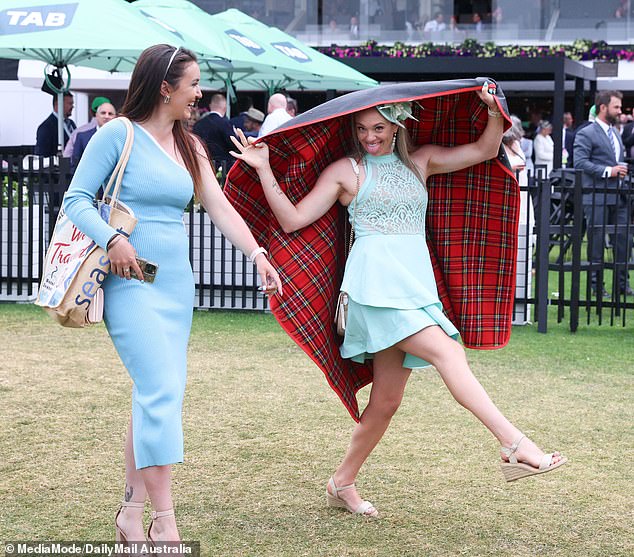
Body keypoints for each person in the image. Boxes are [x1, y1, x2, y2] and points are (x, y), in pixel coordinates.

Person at [230, 83, 566, 517]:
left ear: (397, 125)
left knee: (386, 403)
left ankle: (341, 482)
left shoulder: (420, 162)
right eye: (362, 128)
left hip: (413, 286)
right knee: (448, 353)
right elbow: (292, 219)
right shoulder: (345, 170)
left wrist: (494, 111)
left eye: (379, 128)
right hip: (374, 289)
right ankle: (514, 443)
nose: (370, 136)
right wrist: (263, 169)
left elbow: (485, 149)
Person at [63, 44, 282, 542]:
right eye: (193, 83)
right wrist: (113, 238)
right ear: (165, 86)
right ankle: (166, 524)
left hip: (176, 284)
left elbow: (220, 208)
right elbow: (76, 201)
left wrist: (258, 255)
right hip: (131, 280)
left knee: (152, 397)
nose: (199, 93)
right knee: (162, 391)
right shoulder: (116, 134)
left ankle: (130, 515)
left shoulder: (191, 145)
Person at [573, 90, 633, 298]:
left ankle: (622, 284)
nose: (620, 111)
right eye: (616, 107)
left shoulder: (616, 133)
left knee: (623, 241)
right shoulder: (586, 132)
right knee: (596, 243)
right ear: (603, 108)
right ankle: (596, 286)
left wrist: (620, 169)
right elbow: (579, 162)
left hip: (620, 195)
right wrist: (609, 171)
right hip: (596, 195)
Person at [71, 101, 117, 172]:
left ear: (115, 117)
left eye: (110, 114)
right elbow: (75, 165)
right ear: (96, 115)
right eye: (103, 113)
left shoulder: (120, 138)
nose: (106, 116)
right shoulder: (82, 137)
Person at [192, 93, 235, 166]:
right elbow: (233, 144)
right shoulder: (225, 123)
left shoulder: (198, 124)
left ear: (210, 106)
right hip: (223, 166)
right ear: (225, 108)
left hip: (202, 164)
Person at [35, 92, 76, 156]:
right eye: (70, 103)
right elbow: (42, 155)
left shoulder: (71, 123)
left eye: (72, 103)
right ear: (58, 104)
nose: (72, 106)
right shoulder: (46, 127)